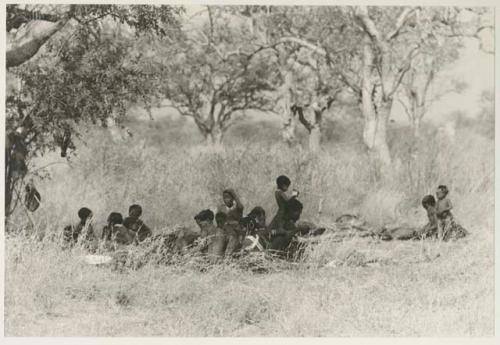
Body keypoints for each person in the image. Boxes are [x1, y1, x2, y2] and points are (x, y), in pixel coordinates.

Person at [218, 189, 244, 256]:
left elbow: (241, 207)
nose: (226, 199)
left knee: (232, 240)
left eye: (228, 197)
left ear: (232, 198)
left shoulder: (237, 207)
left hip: (236, 232)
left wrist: (234, 195)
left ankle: (228, 255)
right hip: (225, 231)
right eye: (224, 198)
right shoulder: (221, 208)